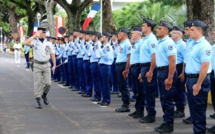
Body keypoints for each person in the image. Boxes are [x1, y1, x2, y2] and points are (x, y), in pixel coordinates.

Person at [185, 20, 211, 134]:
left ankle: (200, 131)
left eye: (192, 30)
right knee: (193, 108)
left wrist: (198, 84)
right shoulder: (192, 43)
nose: (189, 32)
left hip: (199, 79)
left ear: (200, 31)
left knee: (199, 109)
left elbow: (205, 66)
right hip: (191, 79)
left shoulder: (204, 46)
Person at [154, 21, 177, 133]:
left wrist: (170, 78)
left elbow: (172, 61)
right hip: (160, 71)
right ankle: (165, 121)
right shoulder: (160, 42)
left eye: (160, 28)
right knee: (163, 99)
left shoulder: (168, 42)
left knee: (168, 99)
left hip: (167, 71)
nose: (157, 30)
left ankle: (169, 125)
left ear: (166, 31)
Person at [25, 27, 56, 109]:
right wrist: (35, 35)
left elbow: (52, 54)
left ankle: (44, 95)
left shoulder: (48, 43)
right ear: (39, 33)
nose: (44, 34)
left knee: (48, 83)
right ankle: (38, 100)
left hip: (46, 64)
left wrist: (54, 65)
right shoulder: (34, 42)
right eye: (42, 32)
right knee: (37, 83)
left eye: (44, 33)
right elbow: (26, 43)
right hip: (37, 64)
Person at [138, 18, 158, 123]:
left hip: (149, 66)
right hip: (144, 67)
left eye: (143, 26)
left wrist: (150, 71)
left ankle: (151, 114)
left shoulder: (151, 39)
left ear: (149, 27)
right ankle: (148, 112)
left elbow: (154, 57)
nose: (142, 27)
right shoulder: (145, 39)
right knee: (146, 91)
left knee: (149, 91)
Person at [127, 26, 144, 118]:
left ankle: (140, 110)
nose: (132, 35)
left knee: (140, 90)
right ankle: (137, 109)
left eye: (133, 33)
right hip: (133, 67)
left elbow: (142, 58)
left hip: (138, 67)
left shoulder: (141, 44)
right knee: (135, 90)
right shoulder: (135, 44)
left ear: (138, 34)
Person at [171, 26, 186, 118]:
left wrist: (183, 73)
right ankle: (177, 108)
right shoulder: (172, 44)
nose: (172, 34)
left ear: (179, 34)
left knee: (180, 90)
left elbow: (185, 60)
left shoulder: (182, 45)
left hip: (180, 67)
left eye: (174, 33)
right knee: (174, 90)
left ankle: (181, 110)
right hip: (173, 67)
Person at [115, 28, 131, 113]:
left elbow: (129, 57)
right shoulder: (122, 43)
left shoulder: (127, 44)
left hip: (123, 65)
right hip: (119, 65)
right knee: (121, 85)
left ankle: (126, 105)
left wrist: (126, 69)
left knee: (124, 85)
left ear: (124, 34)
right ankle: (124, 103)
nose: (118, 35)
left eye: (119, 33)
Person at [97, 32, 114, 106]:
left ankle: (106, 100)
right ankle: (103, 99)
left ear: (106, 38)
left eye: (103, 37)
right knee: (102, 83)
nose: (102, 38)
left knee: (105, 84)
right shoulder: (103, 47)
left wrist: (101, 54)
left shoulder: (108, 47)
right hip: (102, 65)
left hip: (106, 66)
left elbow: (108, 58)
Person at [182, 20, 194, 124]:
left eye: (187, 29)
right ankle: (192, 115)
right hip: (188, 72)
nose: (185, 31)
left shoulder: (196, 43)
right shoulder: (189, 42)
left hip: (196, 74)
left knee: (197, 100)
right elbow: (185, 60)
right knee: (190, 97)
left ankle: (195, 117)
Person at [89, 31, 102, 102]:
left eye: (93, 36)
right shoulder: (94, 44)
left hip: (96, 63)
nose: (92, 37)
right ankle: (97, 94)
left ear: (96, 37)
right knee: (95, 80)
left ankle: (98, 95)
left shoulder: (98, 45)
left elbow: (98, 55)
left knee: (97, 80)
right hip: (93, 62)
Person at [207, 28, 215, 133]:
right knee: (214, 99)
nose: (213, 34)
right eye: (213, 33)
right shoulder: (213, 47)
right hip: (212, 74)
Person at [82, 31, 93, 97]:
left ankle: (89, 92)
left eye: (87, 35)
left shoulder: (91, 44)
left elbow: (89, 53)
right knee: (86, 77)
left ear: (90, 36)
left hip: (89, 61)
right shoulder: (86, 44)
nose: (85, 37)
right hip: (85, 60)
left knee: (89, 77)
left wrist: (84, 49)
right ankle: (87, 91)